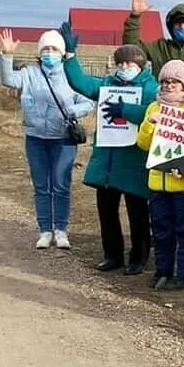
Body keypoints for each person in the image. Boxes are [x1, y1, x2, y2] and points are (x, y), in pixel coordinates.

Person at [60, 23, 157, 275]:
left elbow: (153, 112)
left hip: (134, 159)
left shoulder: (151, 88)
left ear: (141, 65)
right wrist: (70, 56)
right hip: (109, 161)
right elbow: (82, 83)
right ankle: (112, 255)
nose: (125, 68)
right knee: (107, 211)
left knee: (137, 212)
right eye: (121, 64)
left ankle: (139, 257)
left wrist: (124, 110)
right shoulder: (108, 85)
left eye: (130, 64)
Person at [0, 28, 95, 250]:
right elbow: (9, 80)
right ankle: (44, 230)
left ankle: (61, 230)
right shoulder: (30, 73)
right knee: (41, 186)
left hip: (63, 140)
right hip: (36, 138)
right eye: (46, 49)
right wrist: (6, 56)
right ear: (40, 53)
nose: (50, 53)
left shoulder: (71, 77)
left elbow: (89, 101)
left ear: (61, 53)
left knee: (60, 186)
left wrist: (71, 111)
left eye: (54, 49)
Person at [136, 60, 184, 290]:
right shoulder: (153, 108)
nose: (169, 86)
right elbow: (143, 144)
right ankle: (163, 272)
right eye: (165, 81)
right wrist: (150, 124)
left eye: (174, 82)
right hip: (159, 182)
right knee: (161, 231)